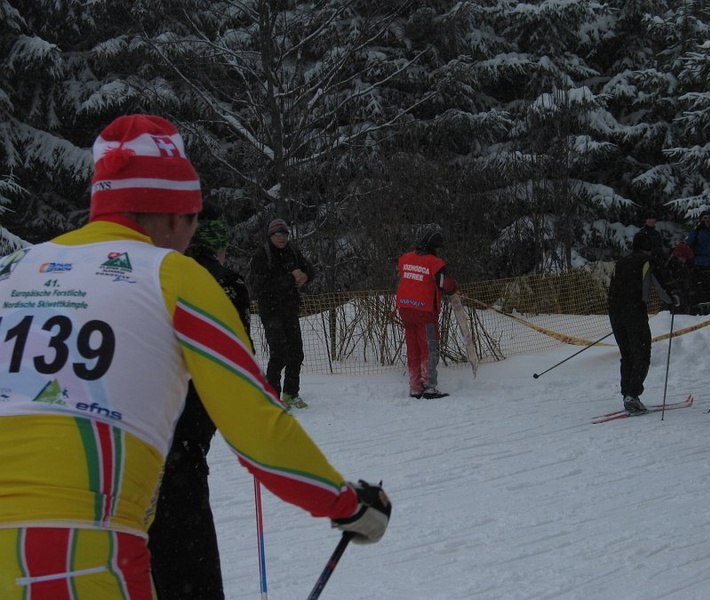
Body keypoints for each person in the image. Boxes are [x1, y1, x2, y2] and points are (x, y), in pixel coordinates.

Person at [0, 114, 390, 600]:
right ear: (174, 215)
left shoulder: (12, 268)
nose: (191, 238)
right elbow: (259, 430)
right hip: (75, 561)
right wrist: (348, 505)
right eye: (193, 220)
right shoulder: (171, 275)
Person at [148, 216, 249, 600]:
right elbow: (237, 360)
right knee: (185, 545)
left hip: (141, 428)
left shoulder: (156, 275)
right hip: (187, 430)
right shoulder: (226, 283)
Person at [607, 231, 677, 413]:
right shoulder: (647, 262)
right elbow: (659, 286)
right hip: (635, 311)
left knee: (627, 355)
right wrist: (672, 299)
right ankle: (632, 395)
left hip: (615, 312)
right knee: (642, 354)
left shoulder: (621, 262)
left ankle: (627, 394)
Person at [249, 218, 314, 409]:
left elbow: (310, 270)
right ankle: (272, 397)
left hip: (290, 309)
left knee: (296, 352)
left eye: (285, 233)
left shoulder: (293, 251)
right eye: (278, 234)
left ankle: (291, 393)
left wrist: (305, 276)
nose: (282, 237)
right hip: (270, 311)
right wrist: (289, 279)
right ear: (270, 235)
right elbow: (258, 286)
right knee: (279, 353)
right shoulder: (262, 255)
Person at [396, 228, 459, 399]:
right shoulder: (435, 263)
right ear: (434, 247)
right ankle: (429, 387)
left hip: (405, 309)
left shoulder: (405, 258)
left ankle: (415, 387)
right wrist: (454, 287)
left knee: (413, 349)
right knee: (428, 349)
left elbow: (405, 276)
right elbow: (445, 284)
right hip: (424, 311)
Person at [686, 211, 710, 314]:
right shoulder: (697, 231)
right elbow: (689, 243)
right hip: (699, 263)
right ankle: (696, 310)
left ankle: (709, 310)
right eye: (705, 218)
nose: (707, 221)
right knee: (698, 289)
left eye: (709, 218)